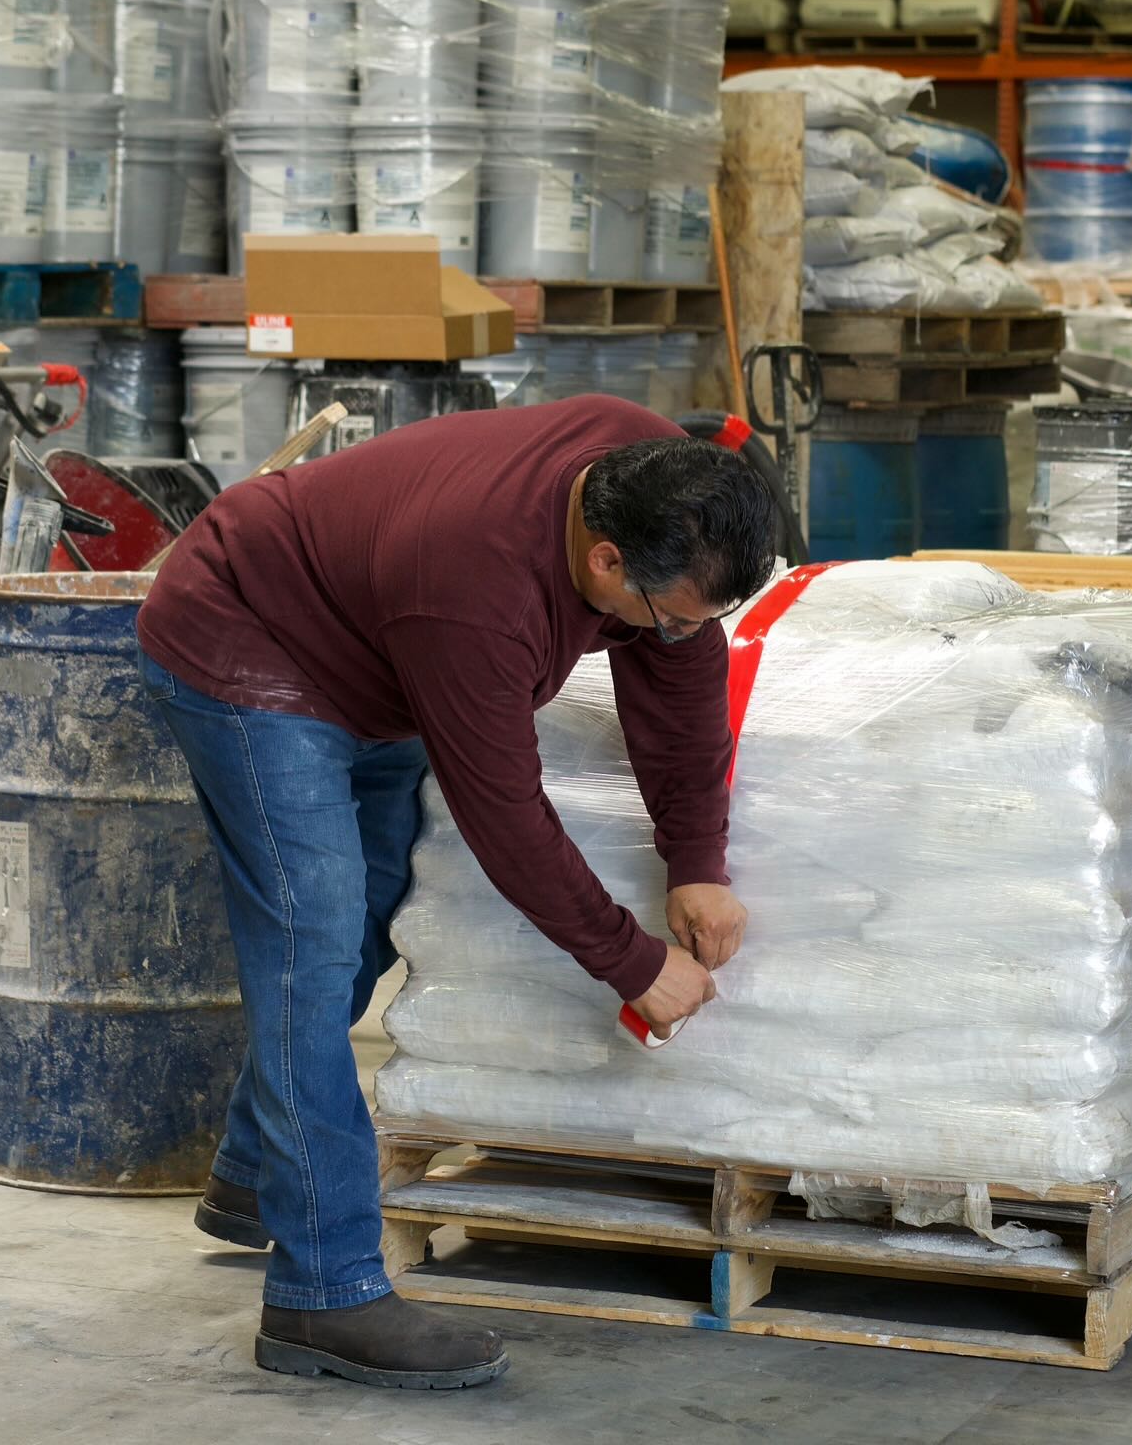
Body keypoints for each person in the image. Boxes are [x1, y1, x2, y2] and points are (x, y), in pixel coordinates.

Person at [137, 392, 777, 1392]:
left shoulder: (657, 480)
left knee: (372, 910)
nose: (683, 633)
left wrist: (697, 857)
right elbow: (506, 818)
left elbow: (680, 672)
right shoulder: (476, 594)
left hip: (371, 644)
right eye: (671, 614)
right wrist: (631, 962)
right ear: (607, 560)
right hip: (249, 643)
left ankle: (256, 1175)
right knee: (312, 948)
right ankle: (323, 1293)